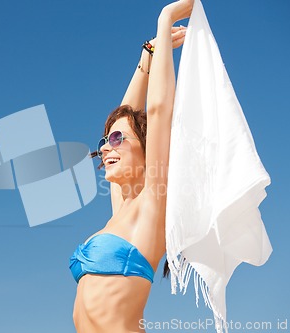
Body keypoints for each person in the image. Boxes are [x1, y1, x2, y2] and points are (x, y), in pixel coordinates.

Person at [69, 1, 194, 332]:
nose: (107, 148)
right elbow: (126, 113)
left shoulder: (152, 203)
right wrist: (147, 55)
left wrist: (165, 20)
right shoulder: (120, 209)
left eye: (118, 141)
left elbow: (158, 109)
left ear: (147, 150)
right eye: (105, 143)